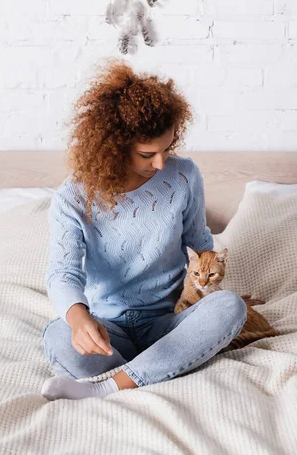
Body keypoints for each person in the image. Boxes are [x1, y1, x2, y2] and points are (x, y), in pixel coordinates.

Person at [40, 60, 259, 400]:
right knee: (57, 337)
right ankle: (155, 368)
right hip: (108, 330)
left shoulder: (184, 176)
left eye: (167, 149)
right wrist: (79, 318)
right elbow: (62, 272)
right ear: (113, 146)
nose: (160, 164)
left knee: (230, 308)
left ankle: (110, 387)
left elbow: (200, 248)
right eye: (147, 154)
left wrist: (209, 298)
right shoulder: (72, 198)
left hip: (169, 322)